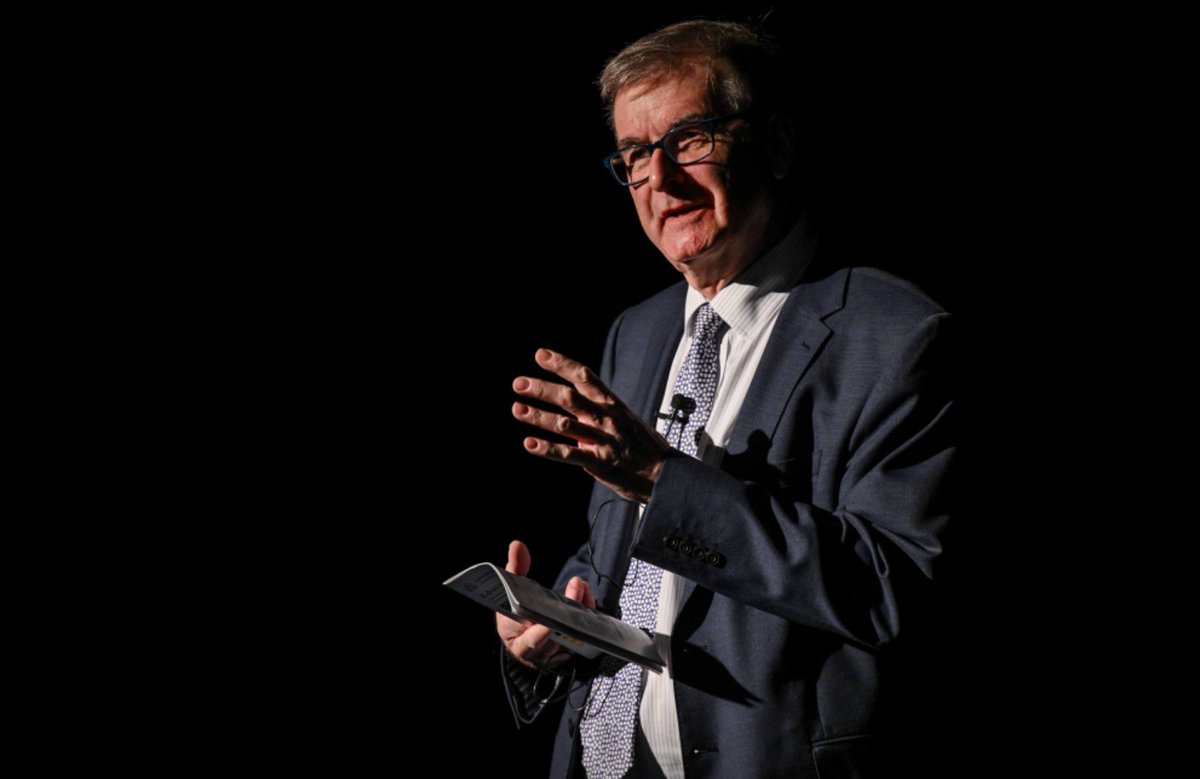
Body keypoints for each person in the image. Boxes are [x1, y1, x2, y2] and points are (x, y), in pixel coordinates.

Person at [494, 19, 957, 779]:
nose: (661, 181)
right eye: (636, 156)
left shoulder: (896, 337)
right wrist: (556, 619)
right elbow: (633, 555)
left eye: (691, 139)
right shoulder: (636, 334)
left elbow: (894, 587)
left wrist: (662, 481)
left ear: (773, 146)